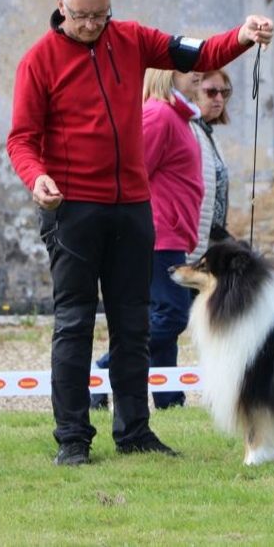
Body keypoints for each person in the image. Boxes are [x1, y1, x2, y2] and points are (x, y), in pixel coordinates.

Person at [6, 0, 273, 466]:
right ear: (62, 7)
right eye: (82, 16)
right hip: (72, 211)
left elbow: (200, 54)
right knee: (74, 323)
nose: (92, 25)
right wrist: (36, 177)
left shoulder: (130, 39)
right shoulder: (38, 61)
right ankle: (72, 439)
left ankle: (134, 431)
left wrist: (241, 35)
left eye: (101, 15)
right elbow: (21, 139)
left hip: (132, 209)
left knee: (134, 324)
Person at [92, 69, 203, 411]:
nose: (198, 74)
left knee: (165, 314)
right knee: (171, 314)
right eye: (189, 69)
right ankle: (100, 372)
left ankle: (168, 398)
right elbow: (133, 173)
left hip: (171, 235)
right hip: (157, 235)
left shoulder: (177, 117)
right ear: (167, 76)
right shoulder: (158, 115)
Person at [188, 69, 234, 263]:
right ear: (194, 91)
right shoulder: (188, 129)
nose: (219, 99)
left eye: (223, 93)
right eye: (211, 92)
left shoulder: (208, 132)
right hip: (192, 241)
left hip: (211, 238)